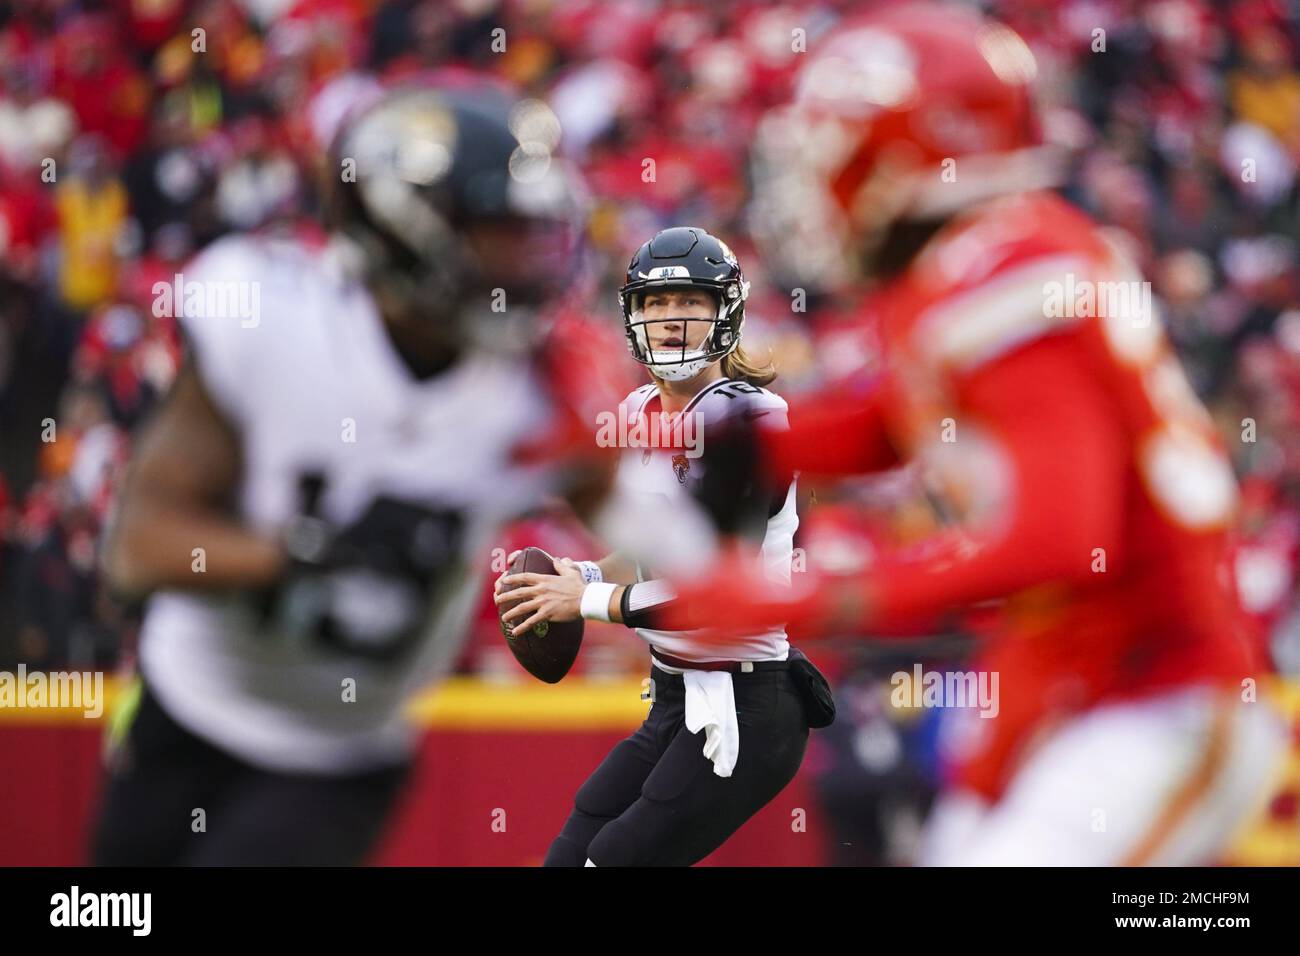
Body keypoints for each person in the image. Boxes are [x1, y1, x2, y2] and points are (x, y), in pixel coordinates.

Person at [656, 6, 1288, 865]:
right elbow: (896, 422)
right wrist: (739, 443)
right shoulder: (971, 268)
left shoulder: (1005, 271)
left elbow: (1061, 539)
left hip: (1155, 693)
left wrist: (809, 597)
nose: (814, 181)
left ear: (909, 150)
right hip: (1065, 684)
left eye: (833, 149)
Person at [91, 81, 624, 866]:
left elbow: (660, 530)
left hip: (342, 758)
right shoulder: (275, 323)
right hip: (186, 711)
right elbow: (139, 550)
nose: (526, 257)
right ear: (409, 225)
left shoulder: (540, 391)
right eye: (500, 230)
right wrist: (305, 553)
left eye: (532, 230)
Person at [495, 227, 814, 866]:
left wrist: (584, 599)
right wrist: (581, 571)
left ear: (724, 311)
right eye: (654, 304)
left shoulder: (754, 424)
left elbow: (715, 597)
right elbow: (653, 551)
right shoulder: (636, 408)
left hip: (747, 703)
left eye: (688, 302)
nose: (670, 319)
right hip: (675, 695)